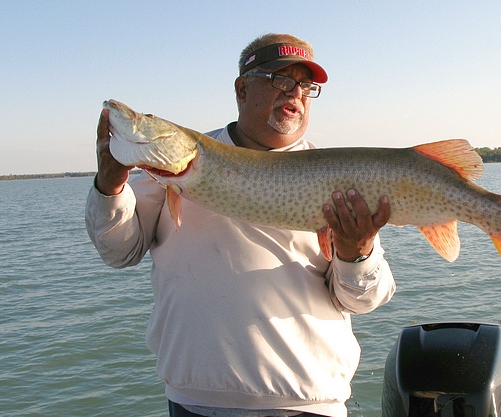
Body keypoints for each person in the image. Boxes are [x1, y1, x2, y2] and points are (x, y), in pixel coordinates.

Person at [86, 33, 396, 417]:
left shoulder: (338, 178)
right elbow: (117, 251)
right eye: (281, 80)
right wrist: (110, 183)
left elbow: (364, 299)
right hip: (193, 402)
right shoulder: (166, 172)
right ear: (242, 88)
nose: (295, 94)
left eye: (306, 86)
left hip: (307, 405)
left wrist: (357, 252)